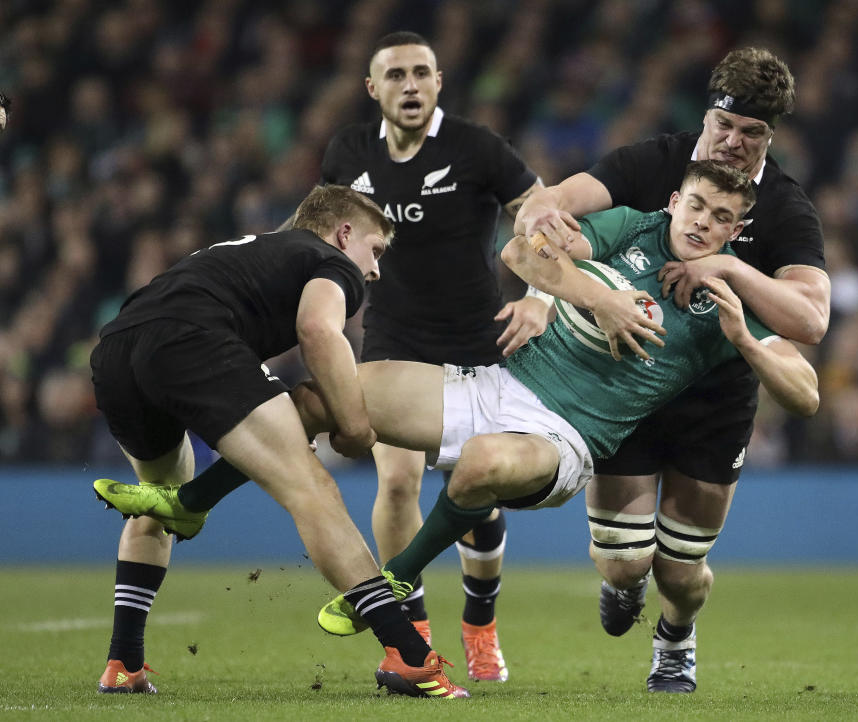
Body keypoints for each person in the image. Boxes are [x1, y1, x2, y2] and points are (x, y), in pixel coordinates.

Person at [96, 163, 820, 677]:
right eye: (696, 207)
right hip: (497, 384)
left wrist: (744, 342)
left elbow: (804, 394)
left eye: (722, 218)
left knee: (477, 465)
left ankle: (394, 581)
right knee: (323, 394)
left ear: (737, 229)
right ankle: (189, 505)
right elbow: (520, 249)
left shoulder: (735, 295)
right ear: (674, 200)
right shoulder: (630, 228)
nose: (703, 224)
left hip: (563, 437)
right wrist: (590, 297)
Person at [166, 30, 545, 682]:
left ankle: (479, 621)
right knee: (396, 481)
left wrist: (539, 295)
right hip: (395, 336)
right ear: (372, 88)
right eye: (394, 75)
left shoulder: (476, 148)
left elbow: (543, 211)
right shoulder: (348, 150)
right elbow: (314, 235)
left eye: (421, 73)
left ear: (439, 82)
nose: (410, 86)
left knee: (477, 495)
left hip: (478, 341)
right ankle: (414, 631)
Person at [514, 47, 831, 692]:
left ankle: (676, 639)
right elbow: (549, 209)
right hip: (623, 381)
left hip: (714, 396)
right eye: (724, 125)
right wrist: (544, 284)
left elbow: (812, 320)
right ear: (707, 113)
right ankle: (625, 587)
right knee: (624, 564)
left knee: (681, 572)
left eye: (752, 134)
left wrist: (731, 268)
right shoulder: (655, 161)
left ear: (772, 137)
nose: (733, 143)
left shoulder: (786, 208)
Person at [89, 184, 469, 699]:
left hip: (117, 348)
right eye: (375, 250)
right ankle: (405, 652)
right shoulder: (331, 261)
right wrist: (355, 426)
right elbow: (317, 329)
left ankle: (123, 663)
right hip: (191, 340)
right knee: (310, 488)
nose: (375, 269)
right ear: (343, 232)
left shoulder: (254, 251)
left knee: (159, 504)